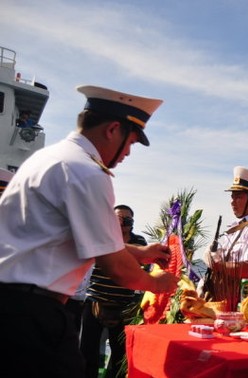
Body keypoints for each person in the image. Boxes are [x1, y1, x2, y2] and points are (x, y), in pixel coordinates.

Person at [0, 85, 179, 378]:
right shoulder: (86, 171)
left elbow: (79, 239)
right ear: (112, 129)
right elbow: (116, 267)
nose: (128, 154)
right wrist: (159, 284)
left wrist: (142, 252)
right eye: (131, 142)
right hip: (32, 316)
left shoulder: (48, 158)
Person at [80, 204, 148, 378]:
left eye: (128, 219)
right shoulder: (103, 239)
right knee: (87, 351)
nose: (124, 222)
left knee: (120, 354)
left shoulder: (140, 242)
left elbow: (141, 268)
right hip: (95, 300)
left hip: (124, 305)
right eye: (119, 219)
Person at [199, 166, 248, 308]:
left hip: (242, 303)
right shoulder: (233, 230)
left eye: (239, 197)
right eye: (232, 196)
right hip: (221, 301)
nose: (233, 201)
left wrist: (220, 266)